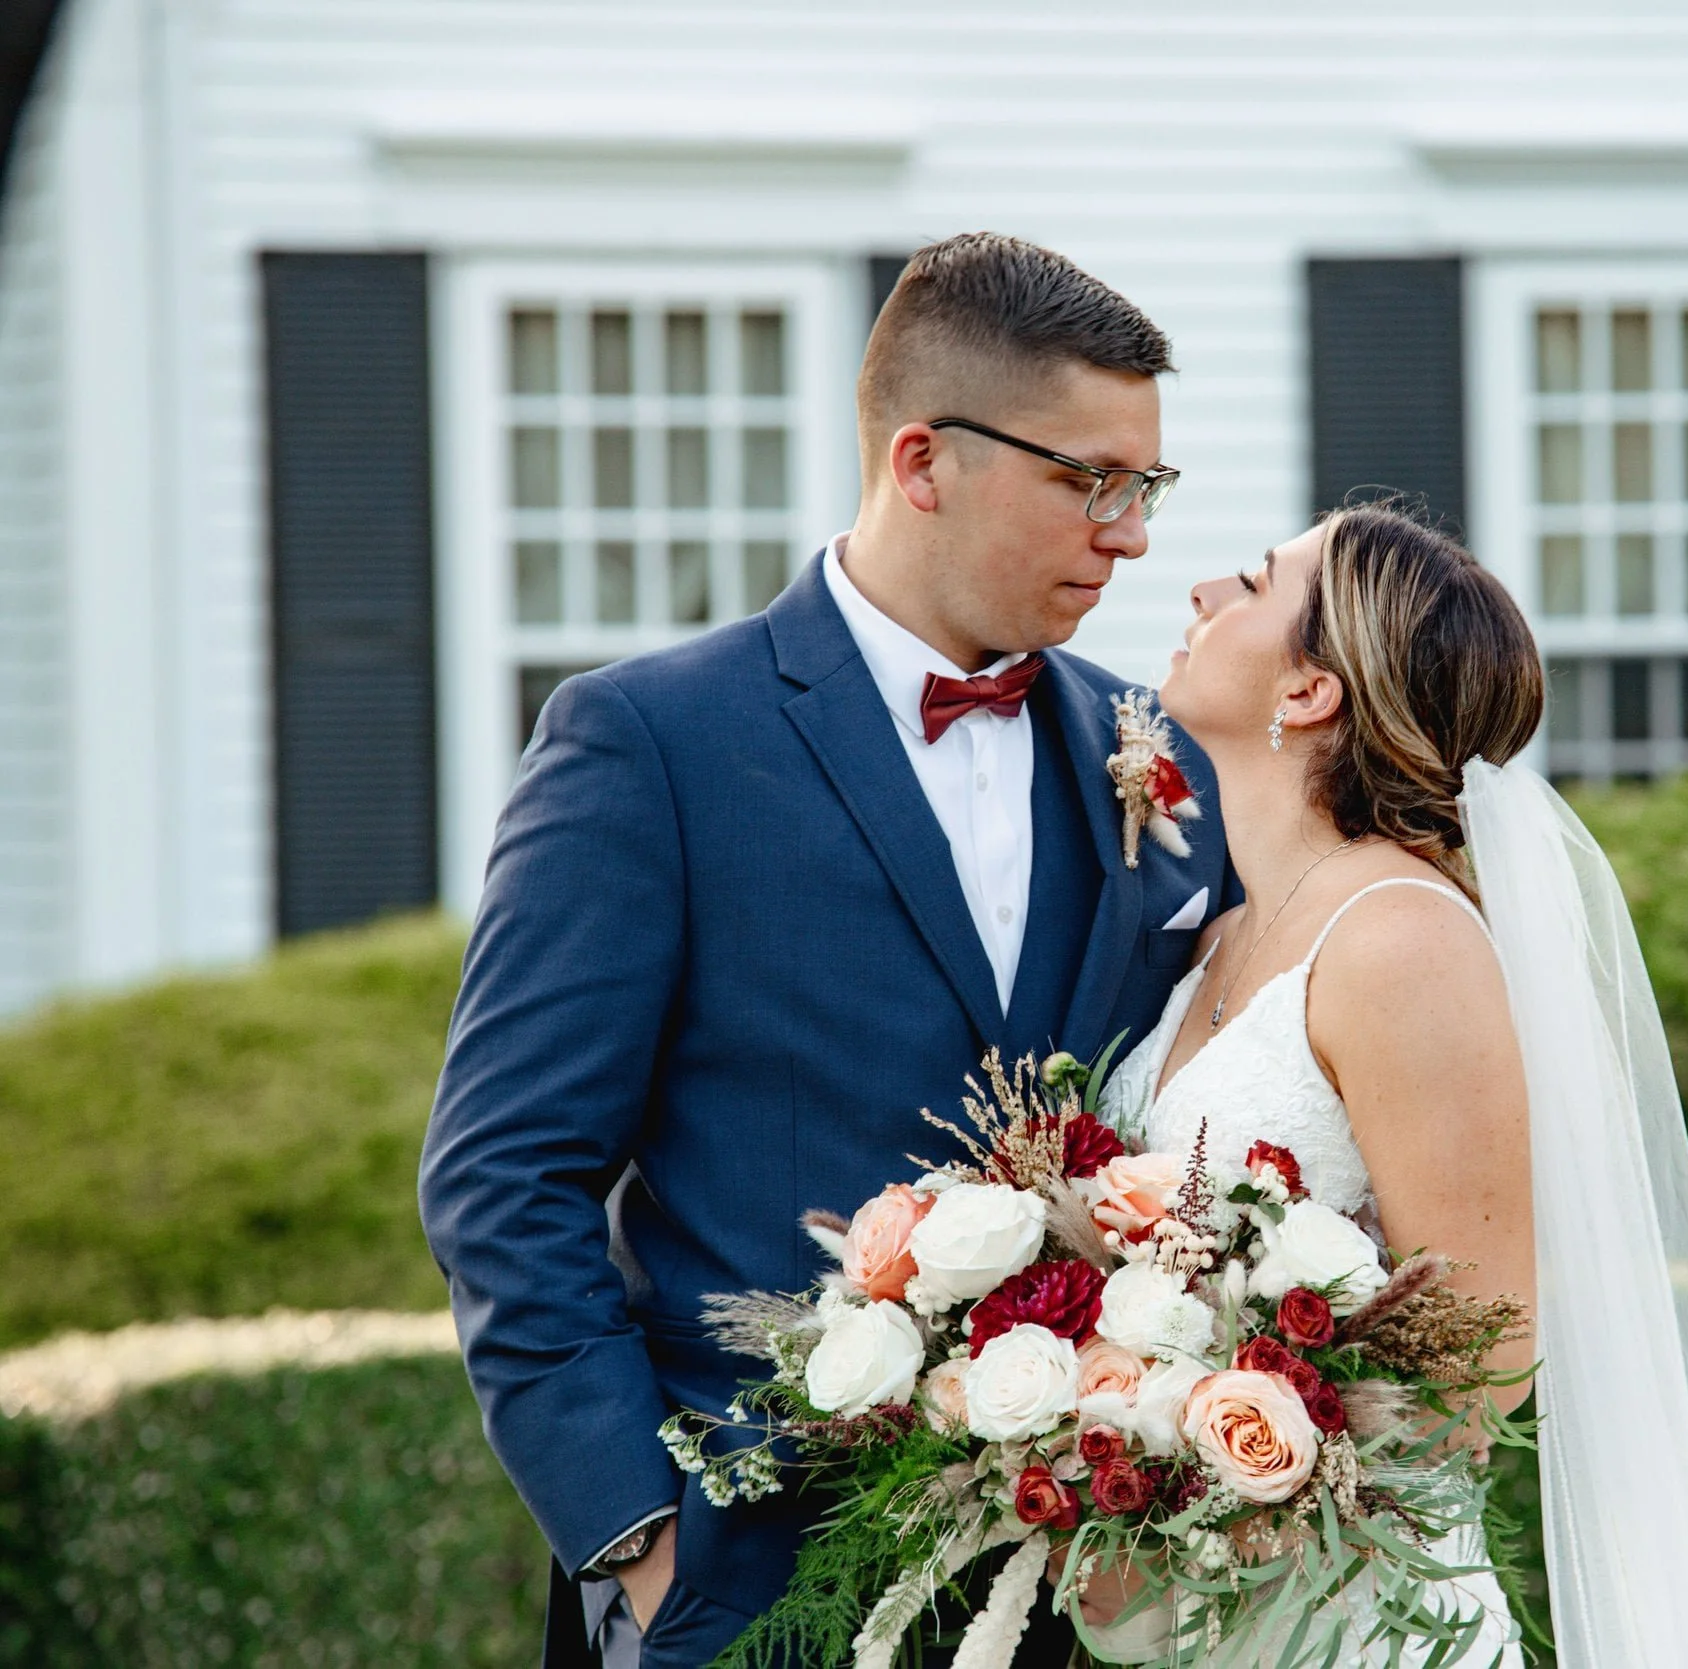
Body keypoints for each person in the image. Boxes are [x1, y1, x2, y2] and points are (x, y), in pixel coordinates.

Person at [419, 233, 1229, 1669]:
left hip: (1086, 1591)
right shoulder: (651, 744)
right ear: (922, 460)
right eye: (1087, 480)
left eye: (1144, 486)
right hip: (746, 1588)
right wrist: (639, 1546)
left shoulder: (1151, 757)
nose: (1130, 535)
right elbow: (504, 1173)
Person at [1094, 503, 1688, 1668]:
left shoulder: (1399, 938)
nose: (1203, 598)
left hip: (1347, 1615)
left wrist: (1224, 1476)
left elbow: (1481, 1361)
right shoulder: (1218, 935)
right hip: (1184, 1611)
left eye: (1247, 583)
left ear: (1309, 690)